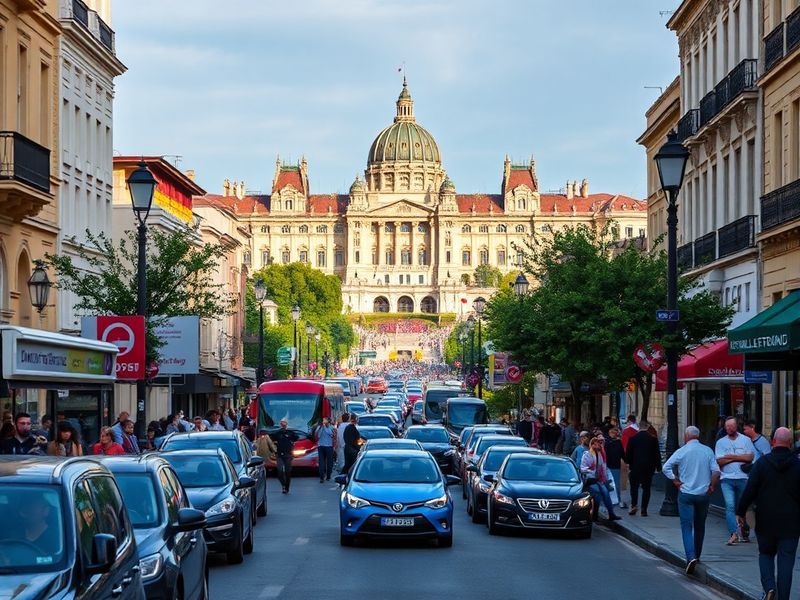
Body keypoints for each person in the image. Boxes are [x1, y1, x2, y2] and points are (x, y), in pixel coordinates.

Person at [736, 427, 800, 600]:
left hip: (766, 519)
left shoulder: (762, 463)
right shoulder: (797, 465)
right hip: (791, 522)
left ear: (773, 442)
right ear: (790, 443)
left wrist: (740, 512)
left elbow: (750, 490)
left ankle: (769, 587)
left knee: (765, 554)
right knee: (786, 561)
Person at [662, 425, 721, 575]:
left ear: (686, 436)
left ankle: (690, 556)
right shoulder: (707, 451)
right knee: (700, 525)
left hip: (686, 492)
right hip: (703, 493)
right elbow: (716, 471)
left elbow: (666, 467)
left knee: (687, 526)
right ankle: (697, 555)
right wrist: (712, 486)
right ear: (697, 436)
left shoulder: (682, 451)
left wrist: (675, 480)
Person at [715, 416, 756, 545]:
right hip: (726, 479)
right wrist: (740, 457)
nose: (728, 428)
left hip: (743, 478)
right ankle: (733, 534)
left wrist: (731, 457)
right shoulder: (721, 442)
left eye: (731, 426)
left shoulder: (746, 440)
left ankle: (745, 531)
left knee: (744, 506)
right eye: (727, 426)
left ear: (736, 426)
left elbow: (750, 457)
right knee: (730, 506)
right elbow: (719, 461)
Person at [580, 436, 622, 521]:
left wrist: (604, 478)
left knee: (606, 493)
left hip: (599, 479)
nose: (598, 446)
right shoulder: (587, 454)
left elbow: (603, 467)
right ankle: (595, 515)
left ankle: (611, 514)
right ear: (592, 445)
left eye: (598, 444)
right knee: (597, 494)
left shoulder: (600, 454)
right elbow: (583, 468)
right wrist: (592, 472)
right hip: (591, 479)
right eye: (596, 444)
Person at [625, 419, 661, 517]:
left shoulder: (633, 438)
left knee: (634, 487)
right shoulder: (653, 439)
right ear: (647, 427)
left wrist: (629, 465)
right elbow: (656, 454)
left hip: (635, 467)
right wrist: (658, 467)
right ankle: (644, 510)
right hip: (648, 468)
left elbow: (628, 454)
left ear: (639, 427)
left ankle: (634, 505)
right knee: (646, 488)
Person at [274, 419, 298, 493]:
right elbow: (272, 439)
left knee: (288, 472)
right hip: (279, 454)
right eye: (282, 423)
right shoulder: (277, 433)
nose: (283, 425)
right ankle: (283, 485)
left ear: (287, 424)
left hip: (288, 454)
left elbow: (296, 437)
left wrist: (291, 442)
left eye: (284, 423)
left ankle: (286, 488)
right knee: (279, 471)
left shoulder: (290, 432)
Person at [605, 426, 626, 509]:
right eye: (612, 432)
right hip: (611, 466)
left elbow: (622, 454)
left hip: (613, 466)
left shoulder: (611, 443)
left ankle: (615, 499)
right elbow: (622, 454)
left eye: (614, 432)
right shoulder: (610, 443)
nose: (613, 434)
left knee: (614, 483)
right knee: (613, 483)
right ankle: (615, 499)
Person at [315, 417, 336, 483]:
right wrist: (322, 428)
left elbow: (333, 435)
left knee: (327, 462)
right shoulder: (320, 427)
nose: (324, 421)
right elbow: (317, 436)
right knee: (324, 462)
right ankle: (323, 477)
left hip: (326, 446)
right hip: (323, 446)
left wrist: (325, 427)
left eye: (325, 420)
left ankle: (326, 476)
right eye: (323, 420)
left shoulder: (331, 427)